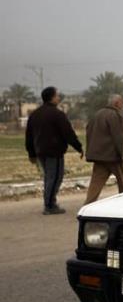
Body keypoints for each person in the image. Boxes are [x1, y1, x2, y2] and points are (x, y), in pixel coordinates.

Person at [25, 86, 83, 215]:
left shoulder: (35, 114)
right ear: (52, 97)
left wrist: (31, 153)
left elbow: (29, 135)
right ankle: (50, 205)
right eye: (57, 95)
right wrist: (78, 147)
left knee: (49, 177)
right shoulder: (57, 114)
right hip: (54, 151)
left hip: (40, 151)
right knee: (55, 177)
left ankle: (50, 202)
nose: (58, 97)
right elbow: (68, 133)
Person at [85, 94, 123, 204]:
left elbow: (88, 132)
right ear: (116, 103)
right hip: (114, 157)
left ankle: (87, 206)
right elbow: (119, 137)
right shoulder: (116, 115)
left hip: (99, 157)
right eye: (121, 103)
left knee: (95, 185)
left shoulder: (97, 114)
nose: (122, 105)